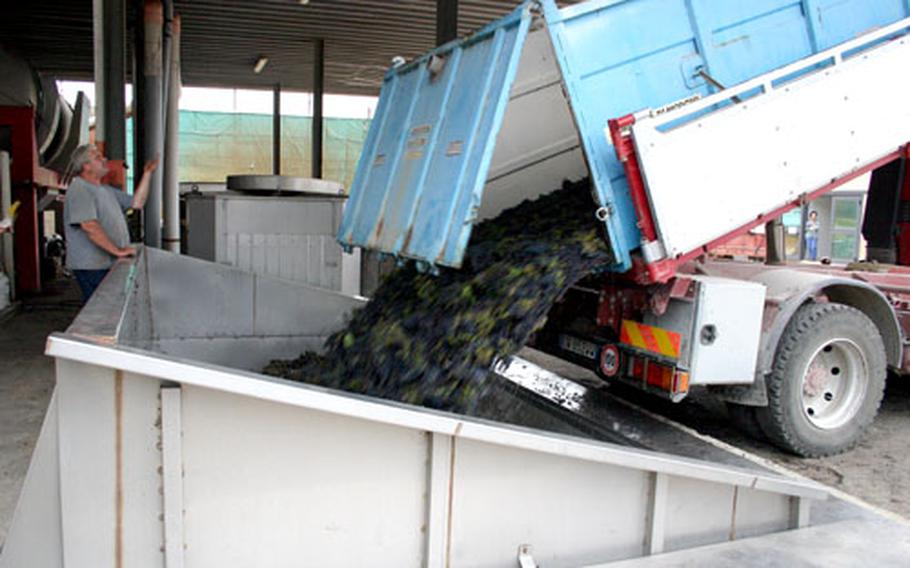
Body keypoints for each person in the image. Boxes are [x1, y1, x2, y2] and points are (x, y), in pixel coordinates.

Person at [64, 144, 158, 302]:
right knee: (101, 312)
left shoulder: (105, 190)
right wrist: (117, 251)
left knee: (109, 310)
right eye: (97, 157)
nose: (104, 159)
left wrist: (147, 173)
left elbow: (137, 203)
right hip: (92, 267)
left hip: (106, 264)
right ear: (86, 166)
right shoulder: (79, 189)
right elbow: (89, 226)